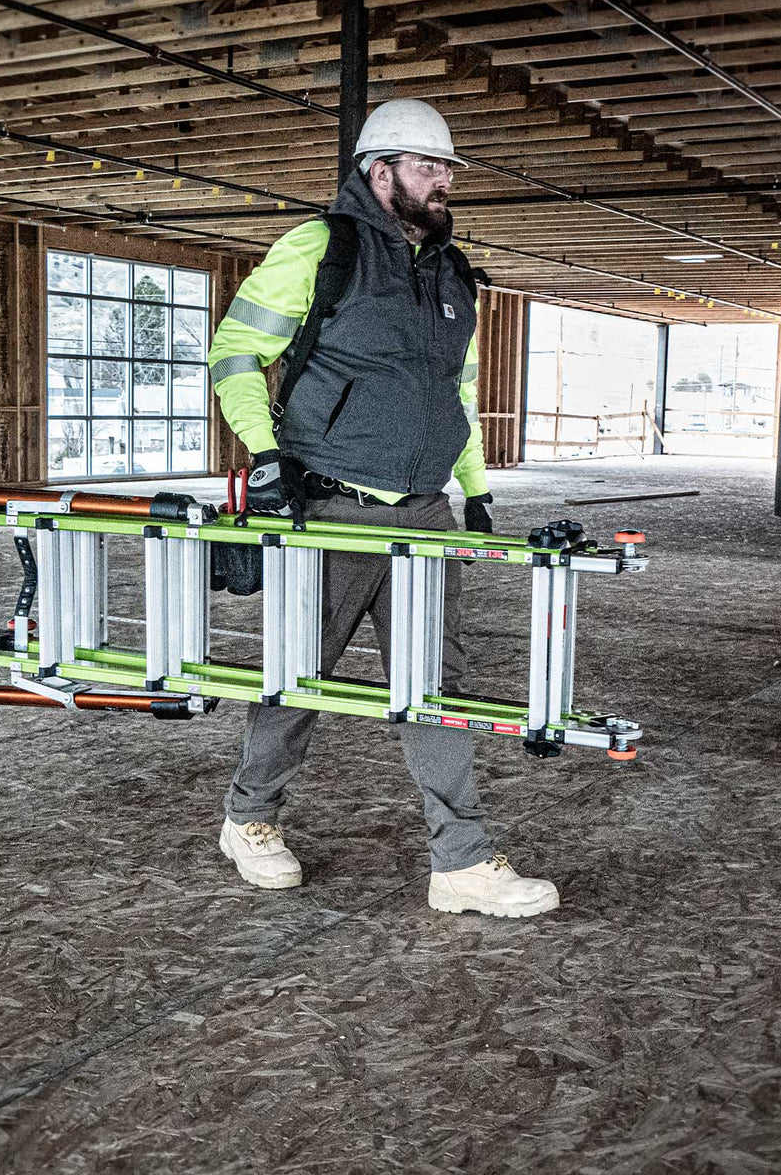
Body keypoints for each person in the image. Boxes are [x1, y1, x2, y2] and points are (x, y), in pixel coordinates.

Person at [206, 99, 559, 918]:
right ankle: (249, 819)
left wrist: (475, 491)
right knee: (301, 675)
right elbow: (235, 352)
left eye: (446, 170)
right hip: (332, 506)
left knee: (438, 684)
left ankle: (462, 862)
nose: (444, 183)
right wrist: (265, 458)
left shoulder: (449, 270)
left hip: (426, 511)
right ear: (381, 171)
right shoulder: (318, 248)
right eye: (429, 167)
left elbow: (455, 391)